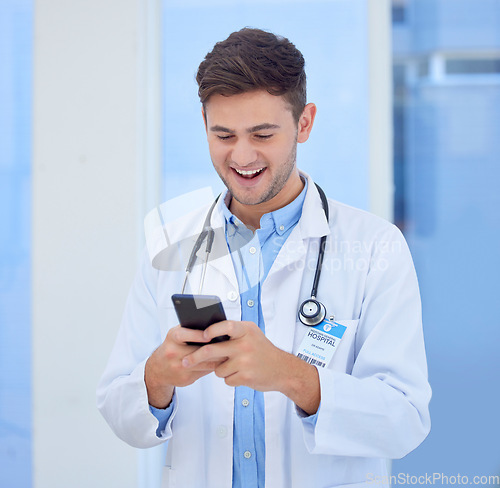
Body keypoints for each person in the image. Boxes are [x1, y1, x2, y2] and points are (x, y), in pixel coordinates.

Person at [97, 27, 431, 488]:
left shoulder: (375, 247)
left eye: (262, 133)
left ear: (305, 123)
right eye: (224, 134)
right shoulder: (170, 246)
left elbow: (405, 421)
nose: (242, 155)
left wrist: (294, 377)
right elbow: (117, 406)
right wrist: (156, 379)